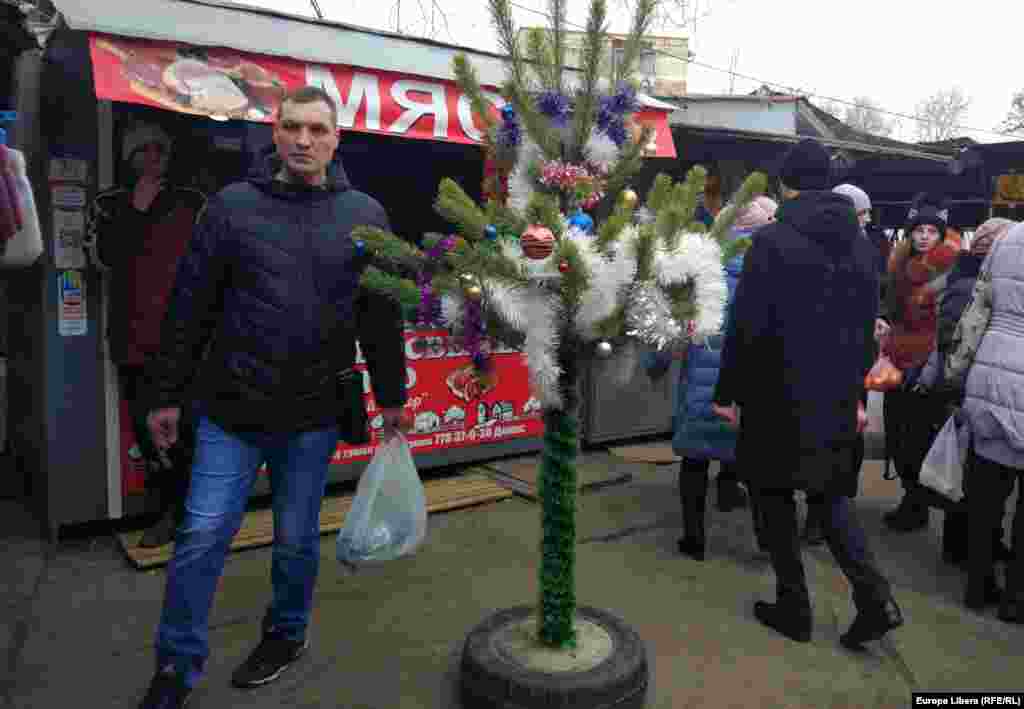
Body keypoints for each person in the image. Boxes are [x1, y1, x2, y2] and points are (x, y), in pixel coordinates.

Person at [137, 87, 408, 709]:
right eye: (292, 127)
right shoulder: (232, 207)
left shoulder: (364, 215)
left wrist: (392, 396)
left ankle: (286, 634)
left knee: (295, 539)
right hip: (230, 411)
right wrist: (165, 394)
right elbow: (190, 306)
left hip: (312, 415)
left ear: (336, 140)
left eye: (317, 129)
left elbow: (380, 315)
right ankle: (176, 664)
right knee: (202, 535)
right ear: (275, 133)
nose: (303, 140)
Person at [712, 139, 902, 650]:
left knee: (770, 492)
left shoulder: (772, 241)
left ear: (786, 184)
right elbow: (866, 328)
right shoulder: (861, 245)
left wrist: (728, 390)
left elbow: (747, 325)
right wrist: (855, 392)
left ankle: (794, 606)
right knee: (830, 495)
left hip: (775, 392)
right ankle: (876, 599)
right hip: (835, 392)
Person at [86, 123, 206, 548]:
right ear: (128, 158)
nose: (154, 157)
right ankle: (166, 511)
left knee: (188, 430)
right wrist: (137, 209)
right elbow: (102, 259)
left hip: (185, 338)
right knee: (148, 429)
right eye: (143, 150)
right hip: (133, 338)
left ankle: (195, 512)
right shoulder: (109, 203)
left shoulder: (193, 201)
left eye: (160, 149)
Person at [647, 196, 777, 561]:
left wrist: (655, 364)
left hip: (701, 383)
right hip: (752, 386)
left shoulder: (703, 266)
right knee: (758, 468)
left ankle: (694, 540)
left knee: (694, 462)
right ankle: (767, 541)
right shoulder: (773, 266)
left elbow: (672, 324)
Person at [945, 220, 1024, 622]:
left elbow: (977, 311)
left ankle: (978, 583)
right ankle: (1017, 598)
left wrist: (957, 370)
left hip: (991, 371)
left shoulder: (1008, 238)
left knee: (986, 494)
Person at [930, 218, 1016, 566]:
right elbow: (955, 335)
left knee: (980, 482)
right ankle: (964, 550)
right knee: (977, 482)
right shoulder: (971, 282)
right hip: (975, 389)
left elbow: (959, 335)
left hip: (979, 385)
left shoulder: (977, 278)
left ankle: (976, 559)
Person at [800, 184, 880, 547]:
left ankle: (824, 511)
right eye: (862, 214)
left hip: (824, 357)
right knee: (844, 434)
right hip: (847, 359)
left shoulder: (811, 246)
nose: (865, 220)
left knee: (827, 435)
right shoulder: (862, 251)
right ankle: (831, 508)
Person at [879, 195, 962, 533]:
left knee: (917, 438)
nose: (925, 236)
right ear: (910, 234)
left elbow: (946, 323)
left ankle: (917, 505)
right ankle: (911, 499)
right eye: (919, 230)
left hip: (926, 364)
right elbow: (893, 311)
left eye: (931, 231)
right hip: (897, 359)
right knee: (897, 433)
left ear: (940, 236)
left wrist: (931, 364)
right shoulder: (899, 267)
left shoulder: (949, 271)